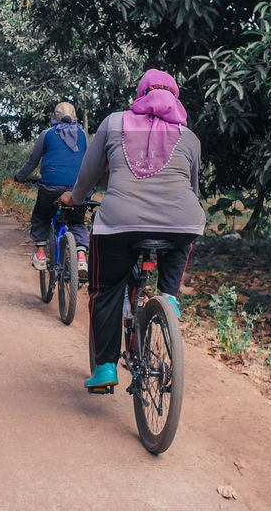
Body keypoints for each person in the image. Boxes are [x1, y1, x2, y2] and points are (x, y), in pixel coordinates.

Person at [60, 70, 204, 391]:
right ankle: (169, 296)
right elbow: (191, 190)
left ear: (140, 94)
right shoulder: (189, 136)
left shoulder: (113, 122)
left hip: (119, 225)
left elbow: (88, 175)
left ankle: (106, 368)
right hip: (180, 224)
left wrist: (76, 197)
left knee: (107, 289)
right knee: (184, 232)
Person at [13, 102, 90, 276]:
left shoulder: (46, 134)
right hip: (77, 188)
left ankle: (40, 254)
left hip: (51, 187)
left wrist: (19, 177)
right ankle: (81, 257)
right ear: (75, 116)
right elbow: (88, 161)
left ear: (54, 116)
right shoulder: (82, 135)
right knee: (77, 222)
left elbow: (32, 161)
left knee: (41, 215)